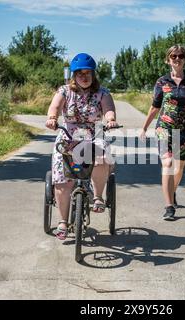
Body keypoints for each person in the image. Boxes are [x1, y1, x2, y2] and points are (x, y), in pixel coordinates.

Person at [45, 53, 119, 240]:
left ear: (93, 74)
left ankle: (98, 197)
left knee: (101, 156)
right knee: (62, 178)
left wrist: (110, 120)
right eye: (79, 73)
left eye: (88, 73)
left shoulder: (103, 92)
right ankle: (63, 221)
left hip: (94, 133)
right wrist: (52, 118)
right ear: (73, 75)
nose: (84, 77)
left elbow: (109, 109)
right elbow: (54, 107)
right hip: (69, 134)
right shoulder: (64, 91)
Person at [140, 45, 185, 221]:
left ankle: (172, 191)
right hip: (164, 128)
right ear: (168, 59)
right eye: (173, 56)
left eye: (180, 56)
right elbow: (155, 106)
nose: (177, 59)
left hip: (184, 129)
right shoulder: (162, 82)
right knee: (168, 163)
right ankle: (169, 206)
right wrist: (144, 127)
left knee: (179, 168)